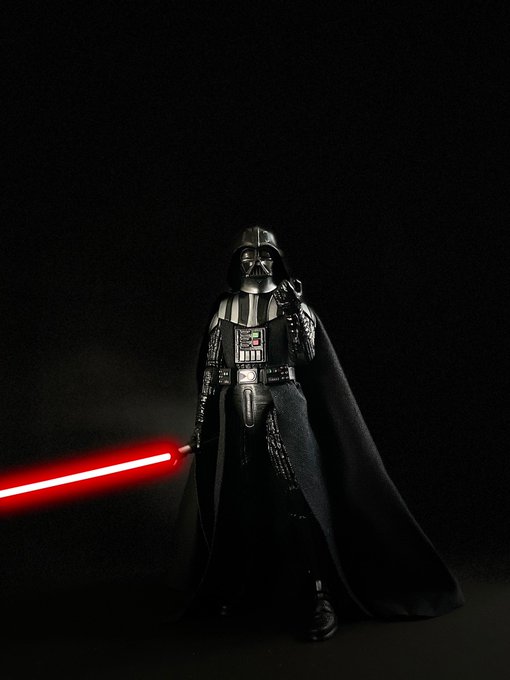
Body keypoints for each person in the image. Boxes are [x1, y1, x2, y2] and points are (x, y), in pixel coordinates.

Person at [174, 226, 464, 641]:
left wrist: (293, 309)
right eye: (248, 255)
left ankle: (318, 593)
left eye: (264, 254)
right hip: (234, 412)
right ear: (236, 262)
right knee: (236, 499)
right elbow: (210, 373)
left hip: (282, 407)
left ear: (276, 260)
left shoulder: (293, 304)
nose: (256, 262)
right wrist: (202, 427)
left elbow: (306, 354)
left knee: (298, 497)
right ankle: (239, 586)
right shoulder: (223, 308)